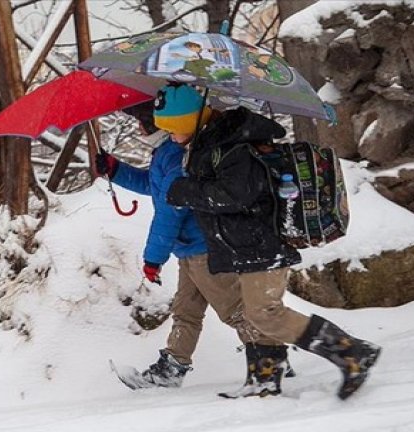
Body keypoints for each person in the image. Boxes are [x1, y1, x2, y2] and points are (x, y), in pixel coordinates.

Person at [166, 106, 381, 399]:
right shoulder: (218, 145)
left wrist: (185, 190)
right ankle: (264, 379)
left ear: (187, 120)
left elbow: (236, 195)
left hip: (261, 243)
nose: (168, 133)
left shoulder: (234, 149)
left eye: (171, 126)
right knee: (258, 313)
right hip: (247, 245)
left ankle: (352, 352)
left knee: (265, 312)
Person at [95, 84, 293, 395]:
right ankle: (172, 368)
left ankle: (271, 360)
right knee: (186, 310)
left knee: (234, 311)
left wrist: (152, 259)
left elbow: (168, 213)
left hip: (203, 248)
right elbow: (153, 185)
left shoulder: (177, 155)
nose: (137, 128)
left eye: (140, 121)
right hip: (188, 249)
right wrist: (116, 170)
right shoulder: (167, 152)